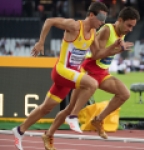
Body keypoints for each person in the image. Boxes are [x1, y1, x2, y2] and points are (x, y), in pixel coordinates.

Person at [12, 2, 110, 150]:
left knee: (46, 108)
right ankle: (73, 116)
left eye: (105, 20)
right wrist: (41, 42)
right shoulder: (75, 26)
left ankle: (20, 130)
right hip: (61, 71)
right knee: (92, 84)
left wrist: (114, 49)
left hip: (69, 77)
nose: (102, 22)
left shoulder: (93, 34)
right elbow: (49, 21)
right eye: (101, 18)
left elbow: (96, 54)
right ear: (91, 15)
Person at [40, 6, 140, 149]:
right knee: (70, 109)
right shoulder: (107, 30)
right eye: (129, 25)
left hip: (103, 73)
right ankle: (48, 134)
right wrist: (117, 49)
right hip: (89, 71)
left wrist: (118, 48)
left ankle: (98, 120)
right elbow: (96, 54)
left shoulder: (121, 33)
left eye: (133, 27)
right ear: (119, 20)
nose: (130, 29)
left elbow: (109, 52)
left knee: (124, 94)